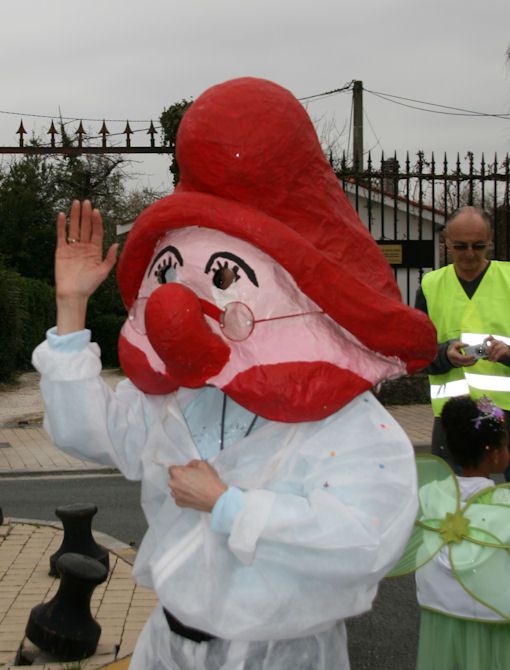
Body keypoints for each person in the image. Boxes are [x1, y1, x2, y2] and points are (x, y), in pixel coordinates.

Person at [32, 78, 437, 670]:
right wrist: (71, 308)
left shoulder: (343, 425)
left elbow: (363, 538)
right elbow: (84, 431)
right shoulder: (177, 400)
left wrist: (230, 506)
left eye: (220, 278)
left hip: (282, 657)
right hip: (168, 647)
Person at [415, 395, 510, 670]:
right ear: (494, 454)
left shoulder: (431, 493)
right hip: (492, 614)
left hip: (439, 609)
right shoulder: (503, 505)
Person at [415, 206, 510, 474]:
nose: (469, 253)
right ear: (446, 240)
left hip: (506, 409)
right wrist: (445, 355)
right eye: (460, 246)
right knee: (451, 498)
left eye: (478, 245)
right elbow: (417, 353)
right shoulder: (430, 285)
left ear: (490, 240)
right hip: (453, 415)